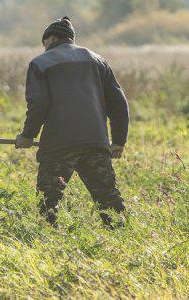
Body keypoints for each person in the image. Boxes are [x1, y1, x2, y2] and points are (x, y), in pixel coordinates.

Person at [15, 16, 129, 228]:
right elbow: (118, 102)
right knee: (109, 199)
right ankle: (123, 237)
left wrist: (27, 136)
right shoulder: (97, 60)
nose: (44, 47)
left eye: (44, 43)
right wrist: (119, 141)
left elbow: (38, 104)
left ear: (51, 38)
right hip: (96, 141)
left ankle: (48, 243)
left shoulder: (40, 63)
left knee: (48, 202)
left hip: (59, 144)